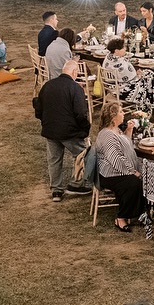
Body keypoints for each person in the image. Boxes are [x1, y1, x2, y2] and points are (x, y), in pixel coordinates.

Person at [35, 58, 91, 202]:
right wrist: (85, 128)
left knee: (54, 160)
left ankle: (56, 191)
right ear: (74, 72)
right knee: (81, 155)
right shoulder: (75, 88)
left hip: (51, 130)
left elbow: (38, 108)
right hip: (69, 132)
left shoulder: (48, 85)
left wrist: (46, 121)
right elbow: (80, 113)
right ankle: (76, 184)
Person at [96, 100, 152, 238]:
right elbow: (116, 159)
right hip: (110, 174)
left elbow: (124, 145)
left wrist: (129, 130)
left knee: (148, 172)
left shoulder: (116, 130)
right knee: (134, 183)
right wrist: (133, 172)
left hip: (120, 170)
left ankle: (143, 210)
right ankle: (121, 217)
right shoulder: (107, 135)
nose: (123, 113)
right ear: (113, 117)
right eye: (121, 111)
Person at [103, 37, 154, 113]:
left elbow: (125, 75)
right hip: (123, 91)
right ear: (116, 51)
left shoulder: (109, 57)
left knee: (148, 73)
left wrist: (136, 74)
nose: (125, 49)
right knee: (149, 78)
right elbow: (130, 78)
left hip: (113, 87)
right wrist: (138, 75)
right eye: (123, 48)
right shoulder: (119, 63)